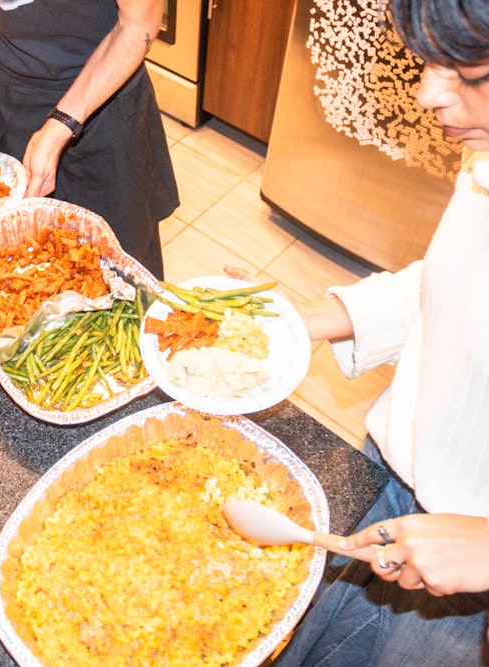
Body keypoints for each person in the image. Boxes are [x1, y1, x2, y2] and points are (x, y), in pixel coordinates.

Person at [273, 0, 489, 663]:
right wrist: (300, 323)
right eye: (429, 62)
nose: (428, 94)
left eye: (469, 73)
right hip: (388, 475)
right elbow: (456, 286)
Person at [0, 0, 180, 279]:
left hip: (104, 103)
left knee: (120, 278)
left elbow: (138, 23)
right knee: (15, 270)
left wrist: (63, 123)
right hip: (10, 101)